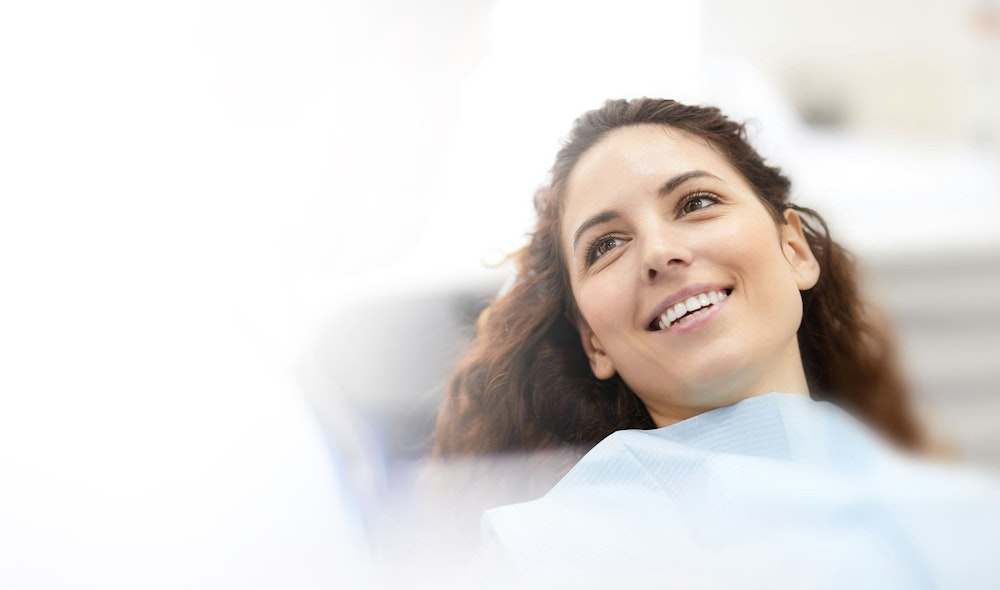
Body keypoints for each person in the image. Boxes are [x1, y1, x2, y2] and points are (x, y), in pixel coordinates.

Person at [432, 99, 1000, 586]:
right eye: (606, 245)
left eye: (696, 203)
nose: (659, 252)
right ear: (593, 344)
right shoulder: (546, 557)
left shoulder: (964, 521)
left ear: (795, 252)